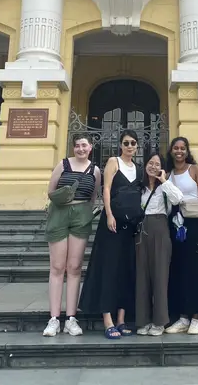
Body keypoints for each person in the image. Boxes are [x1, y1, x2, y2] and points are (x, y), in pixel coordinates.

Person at [79, 129, 142, 340]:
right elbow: (106, 189)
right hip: (112, 225)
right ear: (121, 145)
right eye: (126, 143)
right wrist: (109, 215)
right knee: (108, 269)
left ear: (137, 146)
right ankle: (108, 319)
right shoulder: (114, 162)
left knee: (126, 270)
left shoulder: (138, 168)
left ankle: (121, 319)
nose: (130, 146)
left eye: (133, 143)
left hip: (130, 227)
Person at [43, 135, 100, 337]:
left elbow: (93, 197)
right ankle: (53, 319)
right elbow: (51, 191)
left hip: (81, 215)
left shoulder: (95, 170)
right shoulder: (63, 165)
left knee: (75, 268)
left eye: (84, 145)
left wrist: (84, 213)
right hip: (59, 214)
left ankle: (71, 318)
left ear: (90, 147)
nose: (80, 149)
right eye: (77, 146)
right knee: (57, 267)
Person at [165, 136, 198, 335]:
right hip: (175, 224)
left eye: (182, 148)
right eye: (176, 148)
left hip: (195, 222)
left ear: (187, 151)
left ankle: (196, 317)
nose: (179, 151)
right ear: (171, 151)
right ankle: (183, 317)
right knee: (178, 269)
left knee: (196, 269)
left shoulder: (195, 170)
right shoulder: (168, 174)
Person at [136, 151, 184, 336]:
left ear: (162, 168)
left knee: (160, 276)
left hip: (161, 229)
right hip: (142, 230)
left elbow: (178, 198)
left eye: (157, 164)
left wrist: (164, 180)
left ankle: (160, 321)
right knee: (142, 276)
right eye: (150, 163)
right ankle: (143, 320)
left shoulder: (165, 187)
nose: (153, 167)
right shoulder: (139, 187)